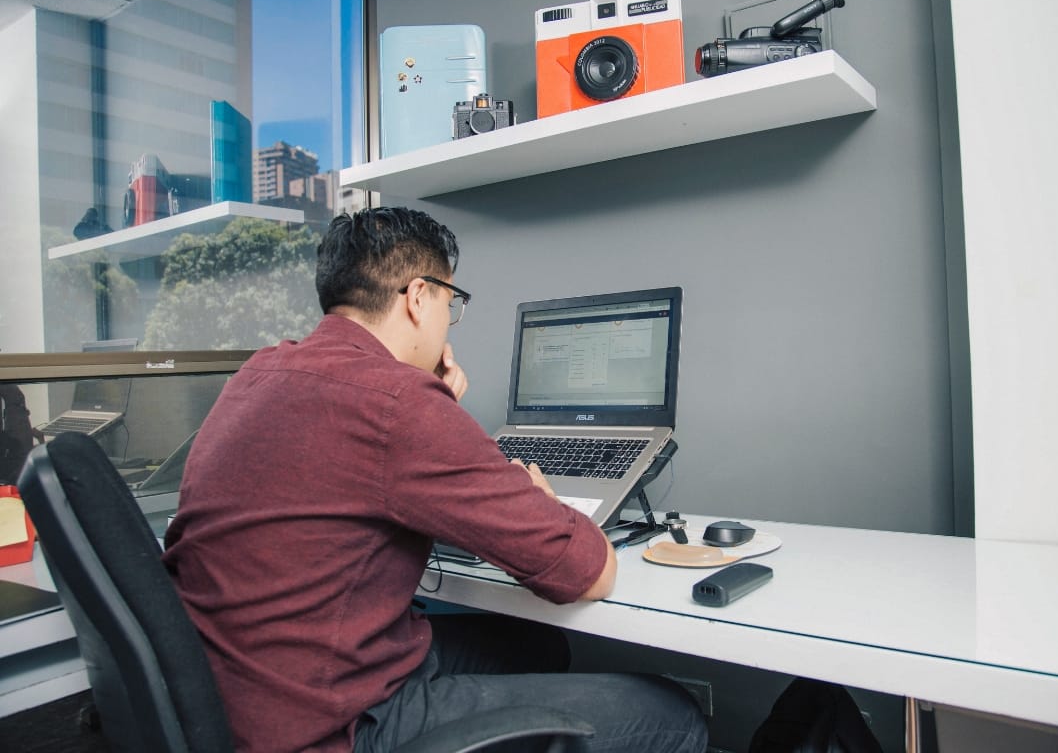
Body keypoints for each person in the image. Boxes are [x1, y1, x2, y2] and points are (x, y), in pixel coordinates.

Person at [162, 206, 707, 753]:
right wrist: (540, 499)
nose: (450, 320)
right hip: (332, 726)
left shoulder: (259, 373)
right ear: (418, 297)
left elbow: (353, 468)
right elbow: (589, 574)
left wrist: (432, 414)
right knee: (671, 714)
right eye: (452, 302)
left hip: (233, 696)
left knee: (533, 646)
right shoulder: (398, 404)